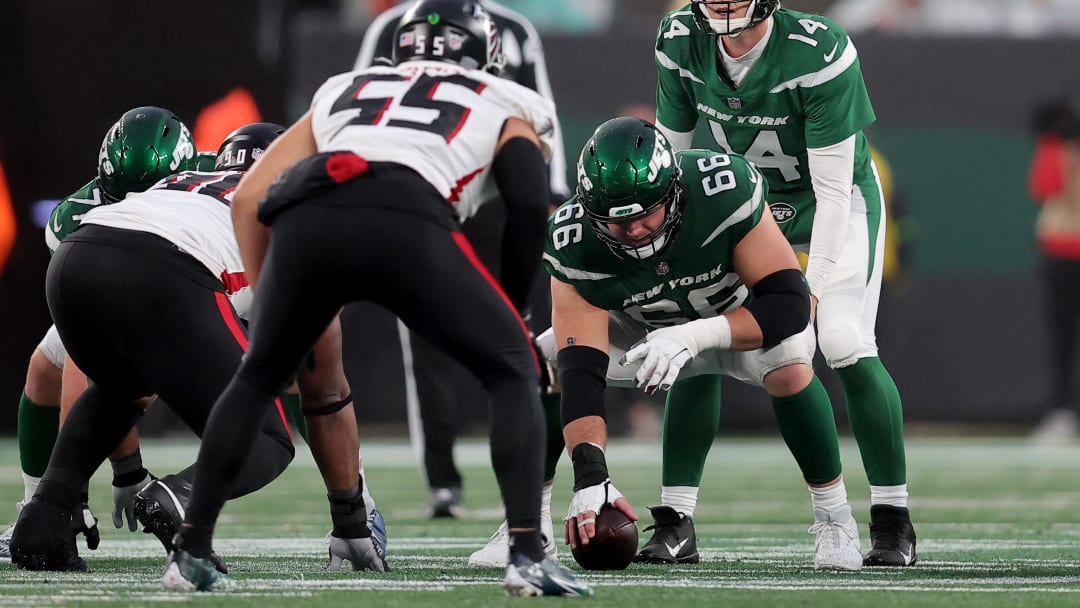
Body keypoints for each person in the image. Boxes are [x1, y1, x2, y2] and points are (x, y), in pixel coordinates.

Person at [162, 0, 590, 597]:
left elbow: (248, 197)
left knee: (259, 374)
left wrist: (267, 298)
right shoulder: (504, 99)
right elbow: (525, 203)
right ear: (487, 54)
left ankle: (191, 551)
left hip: (311, 224)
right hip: (408, 220)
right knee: (514, 368)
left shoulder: (344, 88)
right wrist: (516, 311)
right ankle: (524, 553)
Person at [652, 1, 916, 567]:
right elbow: (667, 164)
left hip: (834, 205)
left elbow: (834, 192)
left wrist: (810, 287)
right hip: (743, 210)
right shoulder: (679, 38)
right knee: (696, 332)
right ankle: (675, 521)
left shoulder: (817, 50)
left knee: (843, 341)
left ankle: (893, 519)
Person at [544, 116, 862, 570]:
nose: (633, 230)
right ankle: (527, 525)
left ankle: (834, 516)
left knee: (791, 362)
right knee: (548, 361)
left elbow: (790, 306)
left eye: (644, 213)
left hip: (735, 320)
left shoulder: (722, 188)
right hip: (643, 331)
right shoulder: (571, 240)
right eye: (616, 222)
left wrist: (693, 334)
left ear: (673, 192)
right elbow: (582, 371)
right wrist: (590, 475)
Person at [5, 123, 295, 571]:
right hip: (168, 273)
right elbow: (318, 375)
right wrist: (353, 508)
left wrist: (126, 469)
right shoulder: (290, 203)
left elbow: (100, 374)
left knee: (120, 384)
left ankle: (45, 515)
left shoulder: (188, 180)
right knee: (268, 437)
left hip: (75, 260)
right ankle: (178, 498)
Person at [354, 0, 570, 537]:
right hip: (428, 194)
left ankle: (520, 486)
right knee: (443, 343)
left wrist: (554, 190)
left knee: (519, 338)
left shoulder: (515, 31)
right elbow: (359, 99)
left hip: (488, 193)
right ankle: (446, 479)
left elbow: (543, 109)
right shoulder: (389, 26)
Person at [0, 106, 200, 562]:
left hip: (197, 289)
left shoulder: (211, 183)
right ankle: (39, 505)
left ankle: (354, 504)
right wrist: (126, 472)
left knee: (297, 375)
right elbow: (86, 354)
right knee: (45, 367)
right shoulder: (74, 218)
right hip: (132, 292)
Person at [1028, 100, 1080, 444]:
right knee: (1062, 337)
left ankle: (1063, 412)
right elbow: (1044, 186)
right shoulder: (1055, 147)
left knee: (1064, 338)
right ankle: (1062, 412)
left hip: (1062, 248)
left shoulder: (1058, 147)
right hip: (1062, 250)